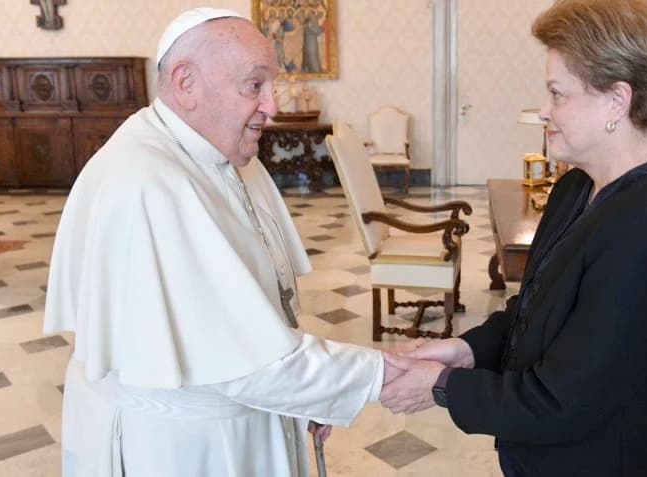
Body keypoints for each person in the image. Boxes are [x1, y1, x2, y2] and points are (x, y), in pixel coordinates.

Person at [44, 8, 401, 477]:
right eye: (254, 85)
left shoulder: (227, 156)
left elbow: (257, 310)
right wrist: (386, 376)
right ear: (185, 83)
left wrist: (311, 394)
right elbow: (244, 365)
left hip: (242, 418)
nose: (272, 105)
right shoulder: (147, 182)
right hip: (183, 448)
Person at [380, 1, 647, 476]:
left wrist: (442, 386)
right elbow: (534, 313)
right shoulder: (576, 187)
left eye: (558, 94)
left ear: (616, 101)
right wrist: (467, 351)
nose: (543, 111)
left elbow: (563, 399)